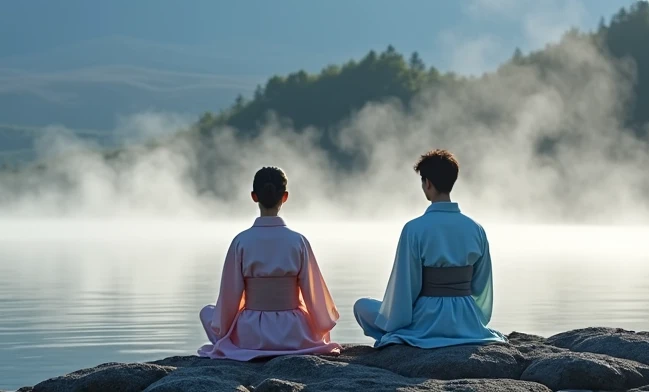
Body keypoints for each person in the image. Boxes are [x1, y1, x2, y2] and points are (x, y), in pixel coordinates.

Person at [353, 149, 507, 348]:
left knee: (362, 306)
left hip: (425, 321)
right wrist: (471, 316)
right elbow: (481, 286)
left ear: (427, 183)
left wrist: (396, 321)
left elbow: (406, 287)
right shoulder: (476, 229)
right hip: (466, 320)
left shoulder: (414, 228)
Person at [198, 166, 341, 360]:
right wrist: (320, 324)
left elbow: (229, 297)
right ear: (285, 196)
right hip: (294, 334)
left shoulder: (241, 241)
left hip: (251, 335)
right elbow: (315, 296)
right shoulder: (298, 241)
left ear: (254, 196)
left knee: (208, 312)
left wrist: (226, 329)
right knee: (312, 321)